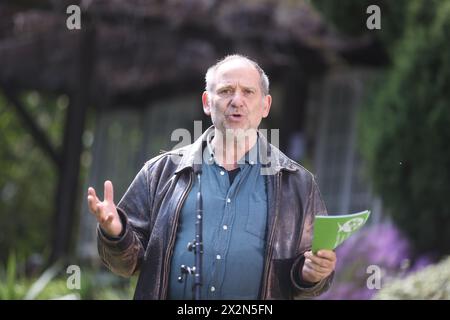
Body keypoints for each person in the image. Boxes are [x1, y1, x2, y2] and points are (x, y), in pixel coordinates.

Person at [87, 54, 336, 300]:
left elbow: (309, 272)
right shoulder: (161, 173)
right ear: (207, 102)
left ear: (265, 106)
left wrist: (312, 274)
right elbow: (127, 264)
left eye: (248, 92)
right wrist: (116, 232)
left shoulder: (297, 184)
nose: (237, 100)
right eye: (226, 91)